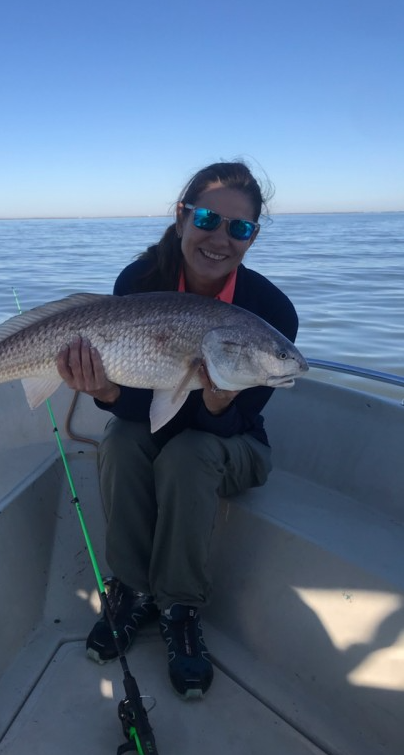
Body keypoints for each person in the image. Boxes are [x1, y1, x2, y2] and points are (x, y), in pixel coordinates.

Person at [56, 161, 299, 699]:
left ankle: (180, 606)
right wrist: (107, 392)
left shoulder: (271, 311)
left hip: (237, 444)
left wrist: (214, 407)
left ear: (253, 236)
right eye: (209, 218)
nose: (220, 238)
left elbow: (240, 418)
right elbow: (134, 412)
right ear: (182, 215)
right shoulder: (138, 282)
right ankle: (130, 590)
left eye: (240, 228)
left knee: (188, 452)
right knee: (121, 443)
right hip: (150, 425)